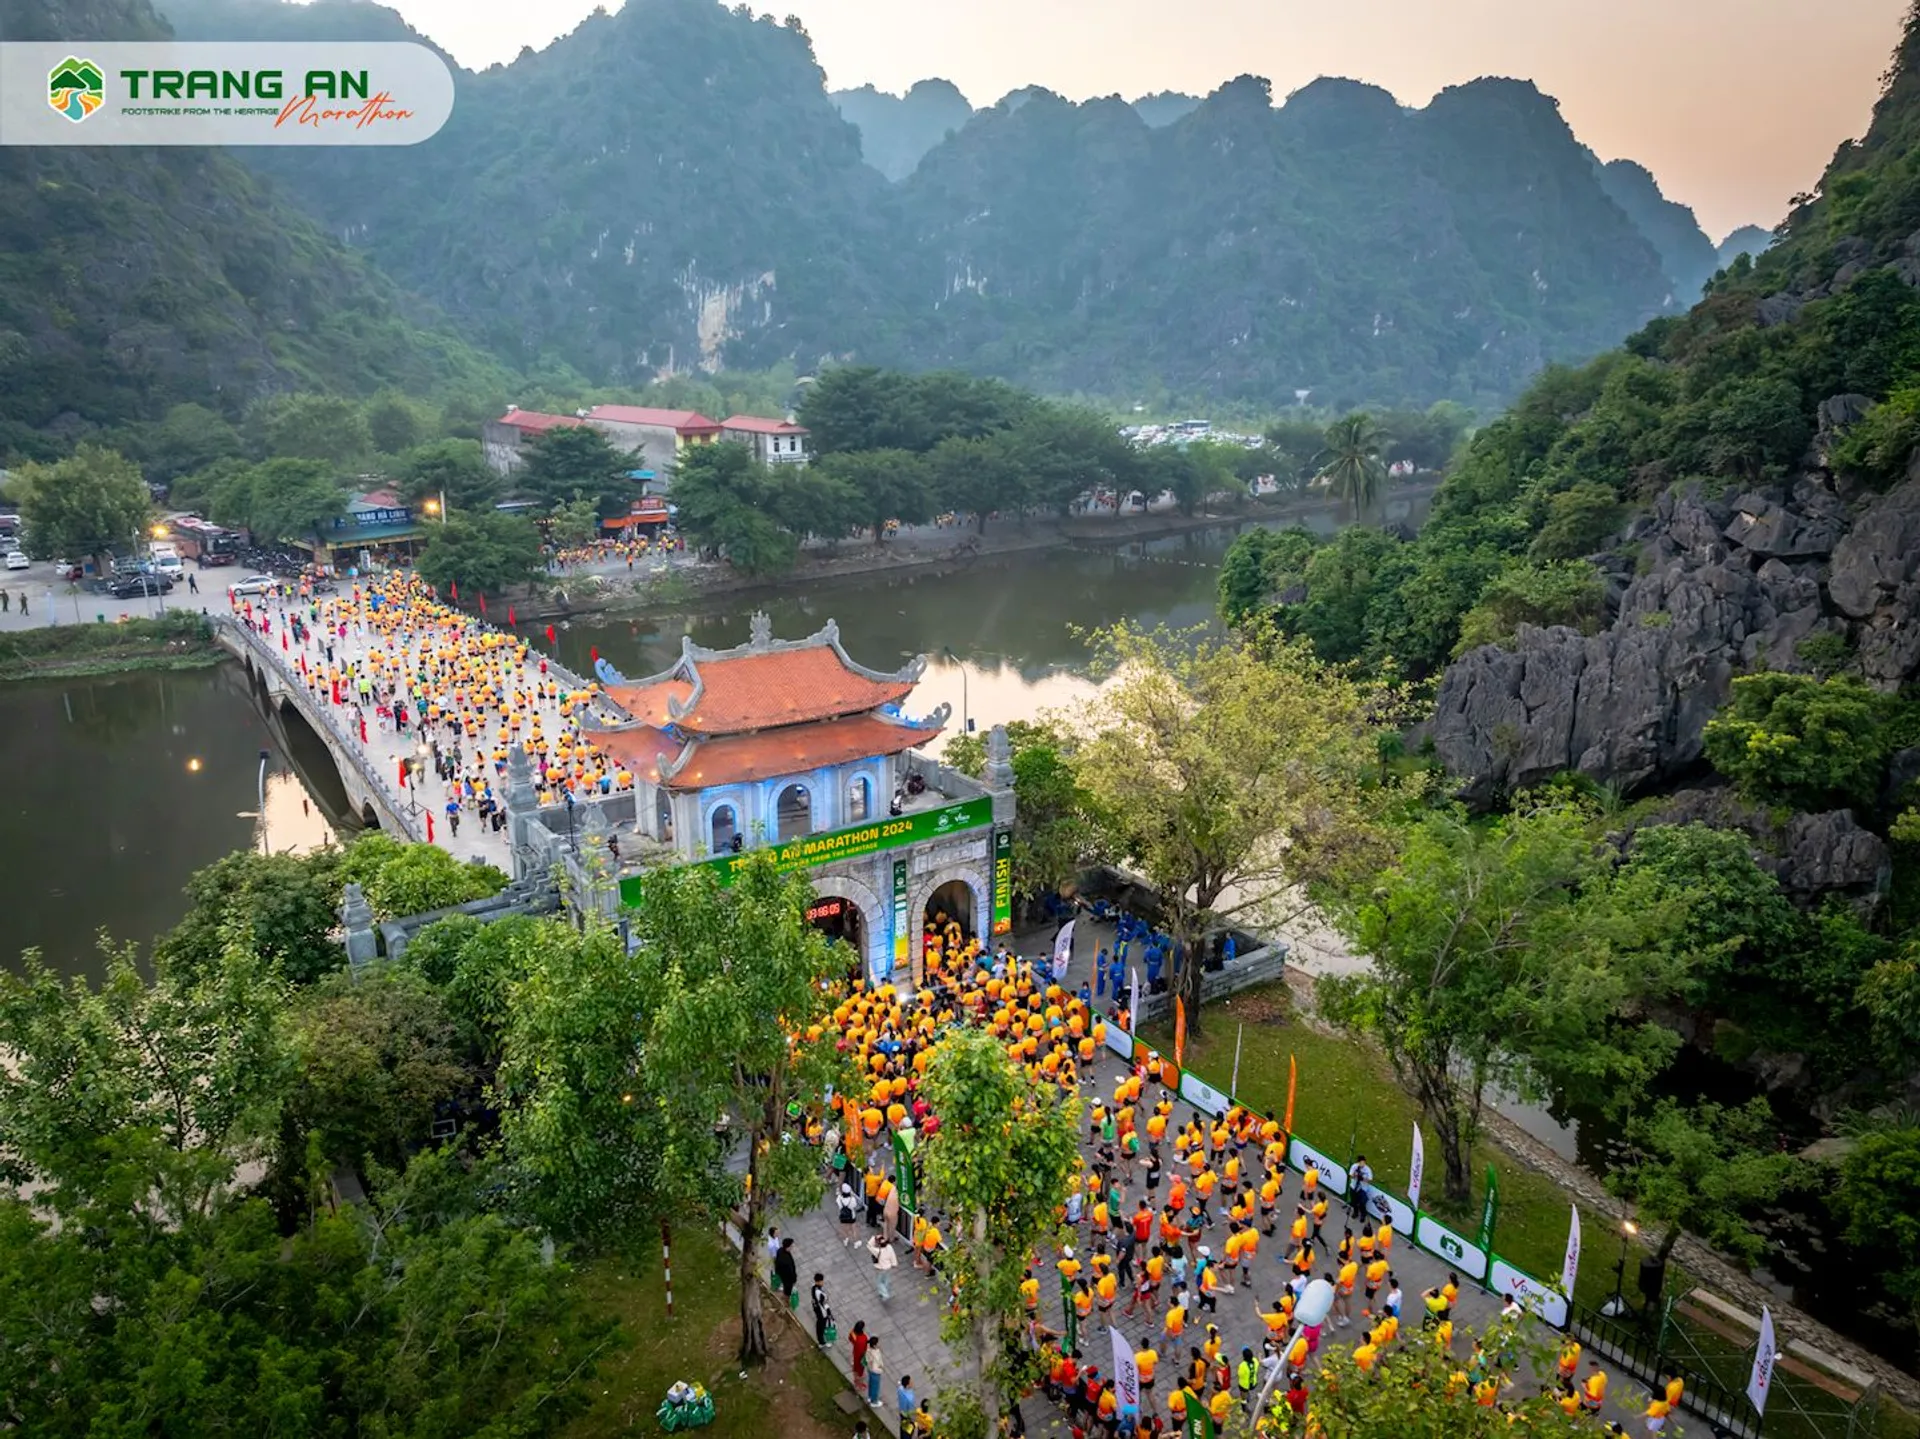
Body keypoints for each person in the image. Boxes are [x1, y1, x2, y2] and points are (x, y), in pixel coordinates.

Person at [869, 1231, 898, 1301]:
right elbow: (892, 1256)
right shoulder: (889, 1247)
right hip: (888, 1267)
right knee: (886, 1280)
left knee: (879, 1282)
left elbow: (869, 1245)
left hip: (880, 1269)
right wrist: (894, 1264)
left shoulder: (877, 1251)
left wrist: (874, 1237)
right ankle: (883, 1292)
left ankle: (885, 1294)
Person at [773, 1237, 798, 1306]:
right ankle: (786, 1300)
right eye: (792, 1246)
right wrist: (794, 1279)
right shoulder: (786, 1261)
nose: (793, 1247)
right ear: (788, 1247)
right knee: (788, 1290)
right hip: (788, 1279)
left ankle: (785, 1296)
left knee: (786, 1287)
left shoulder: (780, 1250)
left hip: (782, 1276)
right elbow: (790, 1272)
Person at [811, 1272, 833, 1345]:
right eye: (822, 1281)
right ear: (819, 1281)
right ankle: (822, 1342)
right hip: (821, 1312)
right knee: (821, 1325)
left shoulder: (813, 1287)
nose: (823, 1282)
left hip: (816, 1309)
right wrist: (829, 1313)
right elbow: (824, 1304)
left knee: (819, 1324)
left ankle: (821, 1339)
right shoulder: (819, 1293)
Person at [864, 1336, 884, 1405]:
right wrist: (881, 1368)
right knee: (875, 1387)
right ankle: (874, 1401)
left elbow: (867, 1360)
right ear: (875, 1345)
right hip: (875, 1371)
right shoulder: (875, 1352)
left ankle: (870, 1397)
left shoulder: (868, 1350)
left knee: (871, 1384)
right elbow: (878, 1362)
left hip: (870, 1370)